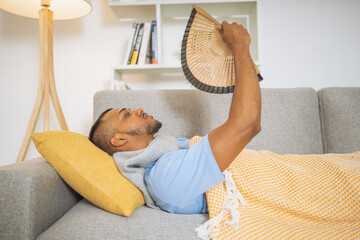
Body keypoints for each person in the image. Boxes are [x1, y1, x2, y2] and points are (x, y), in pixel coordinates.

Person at [89, 21, 262, 214]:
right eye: (127, 114)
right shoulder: (164, 178)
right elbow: (247, 124)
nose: (138, 109)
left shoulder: (171, 152)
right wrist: (240, 46)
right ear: (119, 139)